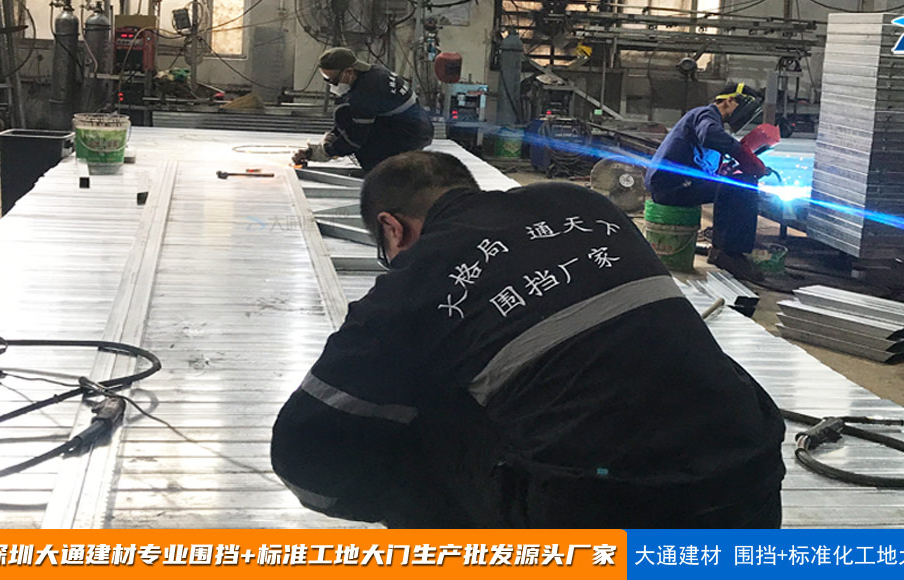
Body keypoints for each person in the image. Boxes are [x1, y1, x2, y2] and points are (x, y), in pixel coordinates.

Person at [271, 151, 785, 528]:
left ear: (392, 229)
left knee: (426, 414)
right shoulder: (585, 204)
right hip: (752, 485)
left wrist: (391, 502)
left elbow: (301, 450)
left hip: (614, 517)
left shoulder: (419, 277)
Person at [645, 83, 771, 281]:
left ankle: (720, 250)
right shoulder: (705, 114)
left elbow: (702, 160)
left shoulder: (708, 120)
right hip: (670, 187)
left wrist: (725, 170)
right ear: (729, 100)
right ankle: (730, 254)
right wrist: (742, 154)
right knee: (742, 186)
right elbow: (710, 134)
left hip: (676, 185)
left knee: (731, 183)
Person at [293, 48, 434, 171]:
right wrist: (324, 143)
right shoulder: (373, 72)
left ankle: (382, 169)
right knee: (345, 113)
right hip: (417, 127)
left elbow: (355, 138)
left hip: (410, 135)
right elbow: (351, 123)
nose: (331, 85)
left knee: (344, 117)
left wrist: (324, 152)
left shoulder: (365, 93)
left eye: (333, 80)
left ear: (349, 72)